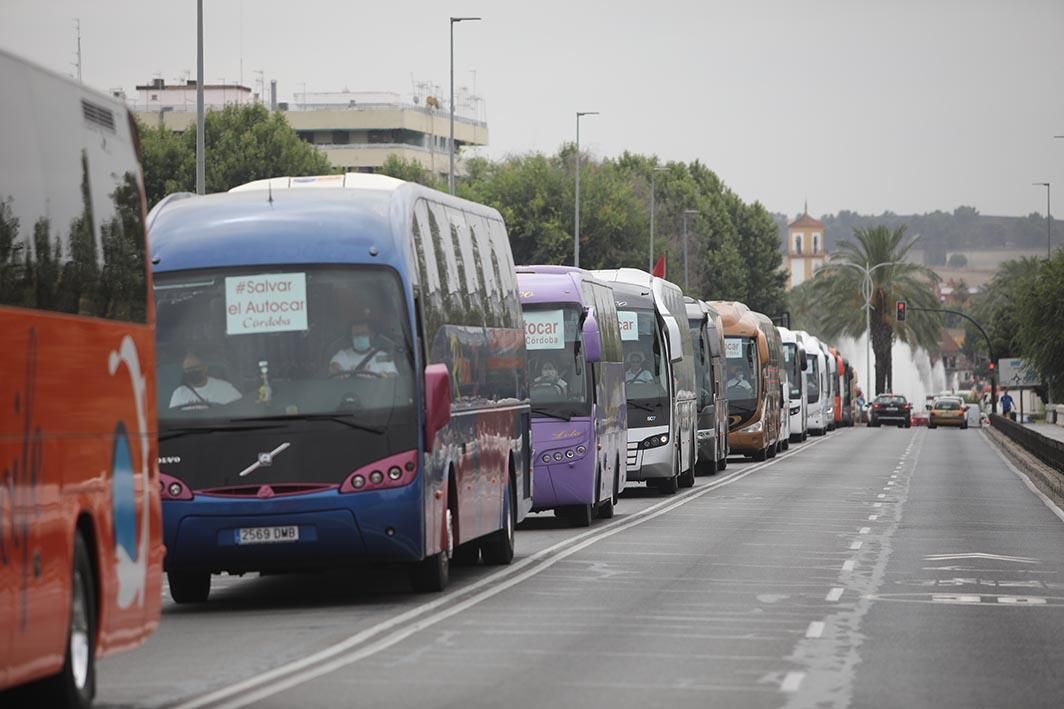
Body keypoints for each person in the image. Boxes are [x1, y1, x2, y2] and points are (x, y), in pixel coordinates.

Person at [169, 351, 242, 409]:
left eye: (195, 368)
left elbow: (239, 410)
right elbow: (172, 418)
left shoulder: (225, 389)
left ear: (205, 367)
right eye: (188, 369)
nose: (192, 371)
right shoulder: (179, 393)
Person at [329, 316, 398, 377]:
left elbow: (392, 374)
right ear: (351, 337)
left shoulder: (381, 356)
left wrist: (387, 376)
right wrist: (338, 371)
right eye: (356, 334)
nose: (359, 337)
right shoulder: (343, 355)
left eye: (363, 333)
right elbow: (334, 367)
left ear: (372, 335)